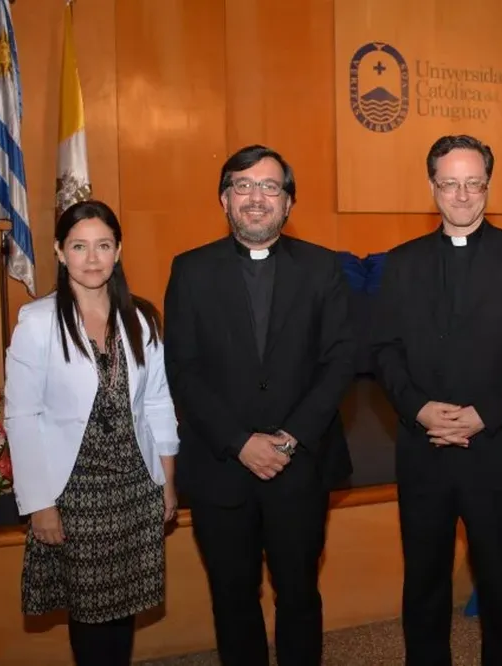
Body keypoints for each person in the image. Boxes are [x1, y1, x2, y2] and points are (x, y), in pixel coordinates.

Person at [163, 145, 356, 666]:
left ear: (288, 204)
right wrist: (240, 441)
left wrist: (290, 438)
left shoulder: (323, 268)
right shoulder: (191, 270)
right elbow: (182, 368)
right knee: (232, 598)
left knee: (299, 594)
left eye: (270, 187)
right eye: (243, 186)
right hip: (221, 466)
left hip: (301, 467)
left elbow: (340, 361)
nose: (256, 198)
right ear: (225, 199)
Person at [371, 134, 502, 666]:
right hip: (424, 448)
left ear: (488, 187)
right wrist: (420, 408)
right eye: (449, 183)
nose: (462, 194)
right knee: (424, 585)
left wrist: (482, 415)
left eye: (473, 183)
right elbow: (384, 348)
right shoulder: (401, 262)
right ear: (432, 187)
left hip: (496, 449)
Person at [4, 200, 179, 666]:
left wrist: (167, 480)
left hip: (135, 484)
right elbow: (20, 418)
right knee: (90, 613)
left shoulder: (141, 319)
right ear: (61, 252)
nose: (93, 257)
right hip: (75, 492)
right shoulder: (38, 322)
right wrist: (40, 504)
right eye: (79, 246)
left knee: (122, 609)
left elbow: (158, 402)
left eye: (103, 245)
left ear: (118, 250)